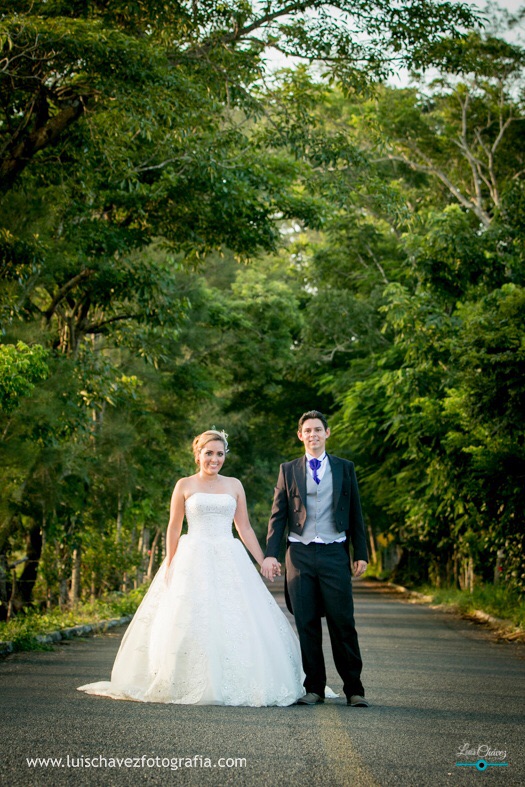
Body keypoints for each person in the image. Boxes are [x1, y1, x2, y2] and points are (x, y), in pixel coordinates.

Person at [78, 429, 304, 706]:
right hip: (192, 555)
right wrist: (171, 564)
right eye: (209, 453)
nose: (215, 459)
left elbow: (243, 527)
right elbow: (173, 528)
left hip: (228, 556)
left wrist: (263, 559)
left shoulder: (234, 485)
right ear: (198, 454)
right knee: (188, 617)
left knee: (235, 618)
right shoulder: (184, 485)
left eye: (220, 454)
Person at [261, 410, 369, 707]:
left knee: (342, 621)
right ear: (300, 435)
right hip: (300, 552)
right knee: (306, 621)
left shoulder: (345, 468)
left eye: (318, 430)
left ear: (327, 433)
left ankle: (354, 689)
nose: (313, 435)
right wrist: (271, 554)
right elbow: (278, 515)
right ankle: (314, 689)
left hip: (335, 550)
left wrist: (360, 553)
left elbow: (356, 512)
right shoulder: (289, 469)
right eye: (307, 430)